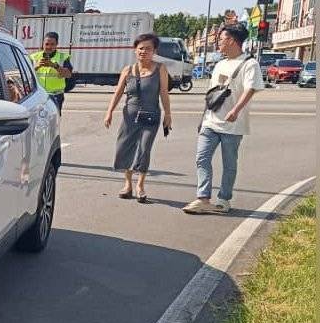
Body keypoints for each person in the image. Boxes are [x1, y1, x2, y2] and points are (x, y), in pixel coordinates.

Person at [183, 24, 263, 214]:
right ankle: (203, 198)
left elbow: (250, 89)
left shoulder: (249, 63)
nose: (219, 43)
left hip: (232, 125)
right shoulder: (220, 64)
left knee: (229, 164)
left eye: (221, 39)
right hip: (211, 121)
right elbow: (212, 94)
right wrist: (203, 117)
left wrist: (236, 110)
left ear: (232, 41)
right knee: (202, 158)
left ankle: (224, 199)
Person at [103, 33, 172, 203]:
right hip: (130, 115)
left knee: (144, 148)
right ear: (135, 50)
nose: (144, 51)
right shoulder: (128, 70)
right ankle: (127, 184)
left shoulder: (160, 68)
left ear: (154, 51)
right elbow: (118, 92)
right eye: (141, 48)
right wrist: (109, 111)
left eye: (148, 49)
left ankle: (140, 185)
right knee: (125, 147)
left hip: (151, 116)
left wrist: (168, 114)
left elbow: (164, 92)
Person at [29, 32, 73, 112]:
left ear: (57, 45)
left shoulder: (63, 57)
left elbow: (68, 75)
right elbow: (26, 74)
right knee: (36, 120)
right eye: (47, 44)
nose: (49, 47)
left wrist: (55, 66)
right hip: (38, 95)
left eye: (52, 44)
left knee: (54, 121)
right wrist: (37, 66)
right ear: (43, 44)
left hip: (55, 95)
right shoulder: (34, 57)